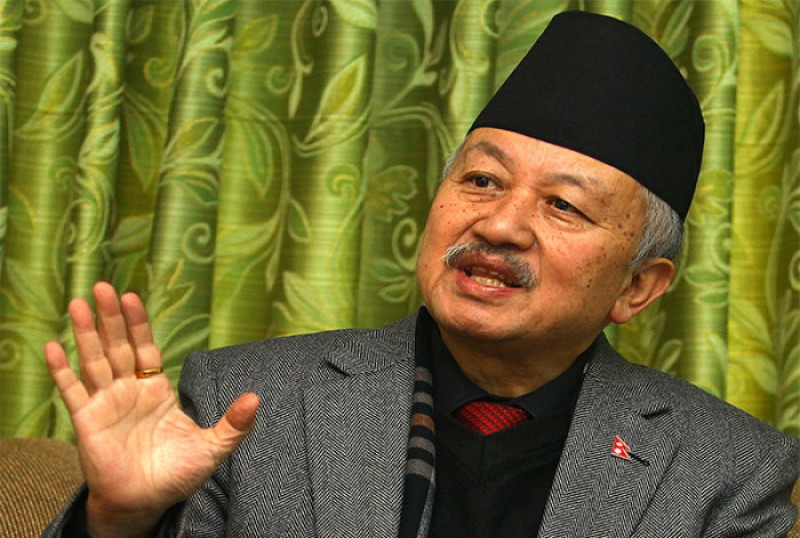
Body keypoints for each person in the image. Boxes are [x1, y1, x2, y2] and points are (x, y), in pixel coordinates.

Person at [43, 11, 798, 538]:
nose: (499, 225)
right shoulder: (247, 406)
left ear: (638, 287)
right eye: (482, 181)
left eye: (563, 205)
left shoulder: (729, 471)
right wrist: (116, 523)